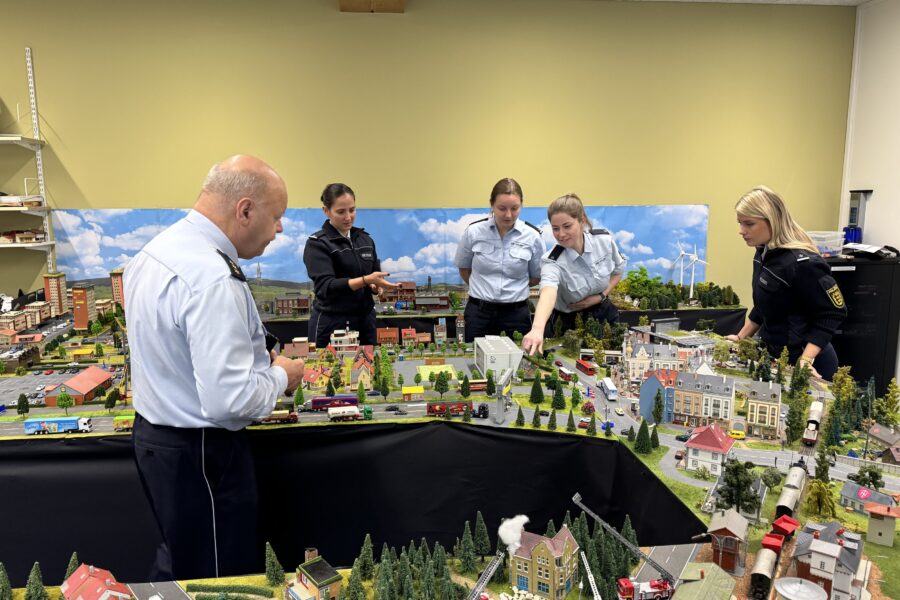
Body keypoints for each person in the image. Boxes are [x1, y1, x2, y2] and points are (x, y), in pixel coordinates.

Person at [124, 155, 306, 581]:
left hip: (157, 438)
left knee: (181, 563)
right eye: (276, 216)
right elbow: (231, 401)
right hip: (203, 454)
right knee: (219, 577)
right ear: (245, 210)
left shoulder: (153, 253)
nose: (279, 228)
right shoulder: (212, 278)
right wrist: (283, 376)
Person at [725, 185, 846, 380]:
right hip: (776, 357)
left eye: (749, 224)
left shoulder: (803, 264)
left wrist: (806, 360)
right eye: (740, 223)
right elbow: (765, 304)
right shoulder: (763, 253)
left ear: (772, 221)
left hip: (808, 361)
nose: (741, 231)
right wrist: (741, 338)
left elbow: (833, 313)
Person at [522, 194, 626, 355]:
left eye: (567, 226)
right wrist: (536, 329)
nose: (561, 234)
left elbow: (618, 270)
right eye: (555, 228)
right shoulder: (552, 260)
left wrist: (601, 296)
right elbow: (548, 292)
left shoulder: (603, 241)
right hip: (569, 322)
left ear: (582, 220)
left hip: (604, 314)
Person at [303, 183, 396, 348]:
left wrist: (376, 286)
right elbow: (326, 286)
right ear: (326, 211)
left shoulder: (366, 240)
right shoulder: (317, 244)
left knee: (368, 370)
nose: (348, 217)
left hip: (365, 321)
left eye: (352, 210)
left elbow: (375, 273)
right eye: (341, 212)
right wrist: (366, 280)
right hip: (332, 323)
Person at [454, 178, 545, 342]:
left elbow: (536, 277)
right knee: (473, 360)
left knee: (520, 362)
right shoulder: (474, 232)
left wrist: (512, 289)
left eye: (515, 208)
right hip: (479, 313)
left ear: (522, 205)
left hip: (516, 314)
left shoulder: (533, 236)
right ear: (491, 205)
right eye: (502, 208)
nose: (508, 215)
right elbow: (464, 269)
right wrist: (483, 287)